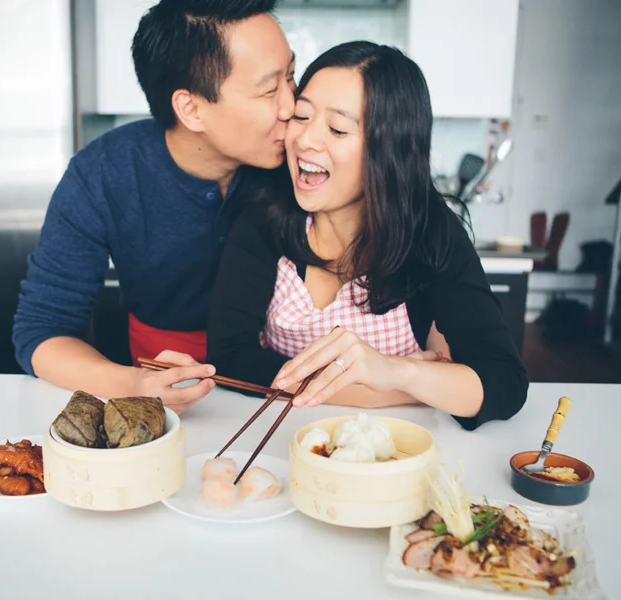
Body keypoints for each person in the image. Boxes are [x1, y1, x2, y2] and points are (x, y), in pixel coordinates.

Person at [206, 42, 528, 430]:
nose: (305, 139)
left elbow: (503, 382)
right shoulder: (262, 218)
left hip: (394, 451)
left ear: (388, 150)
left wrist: (394, 373)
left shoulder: (429, 232)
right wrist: (396, 392)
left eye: (338, 128)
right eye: (302, 115)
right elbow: (230, 356)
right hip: (284, 440)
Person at [12, 0, 296, 414]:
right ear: (192, 108)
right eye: (270, 90)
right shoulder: (105, 173)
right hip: (166, 394)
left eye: (292, 77)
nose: (292, 107)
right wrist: (133, 383)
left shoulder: (305, 161)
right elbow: (41, 332)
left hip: (290, 391)